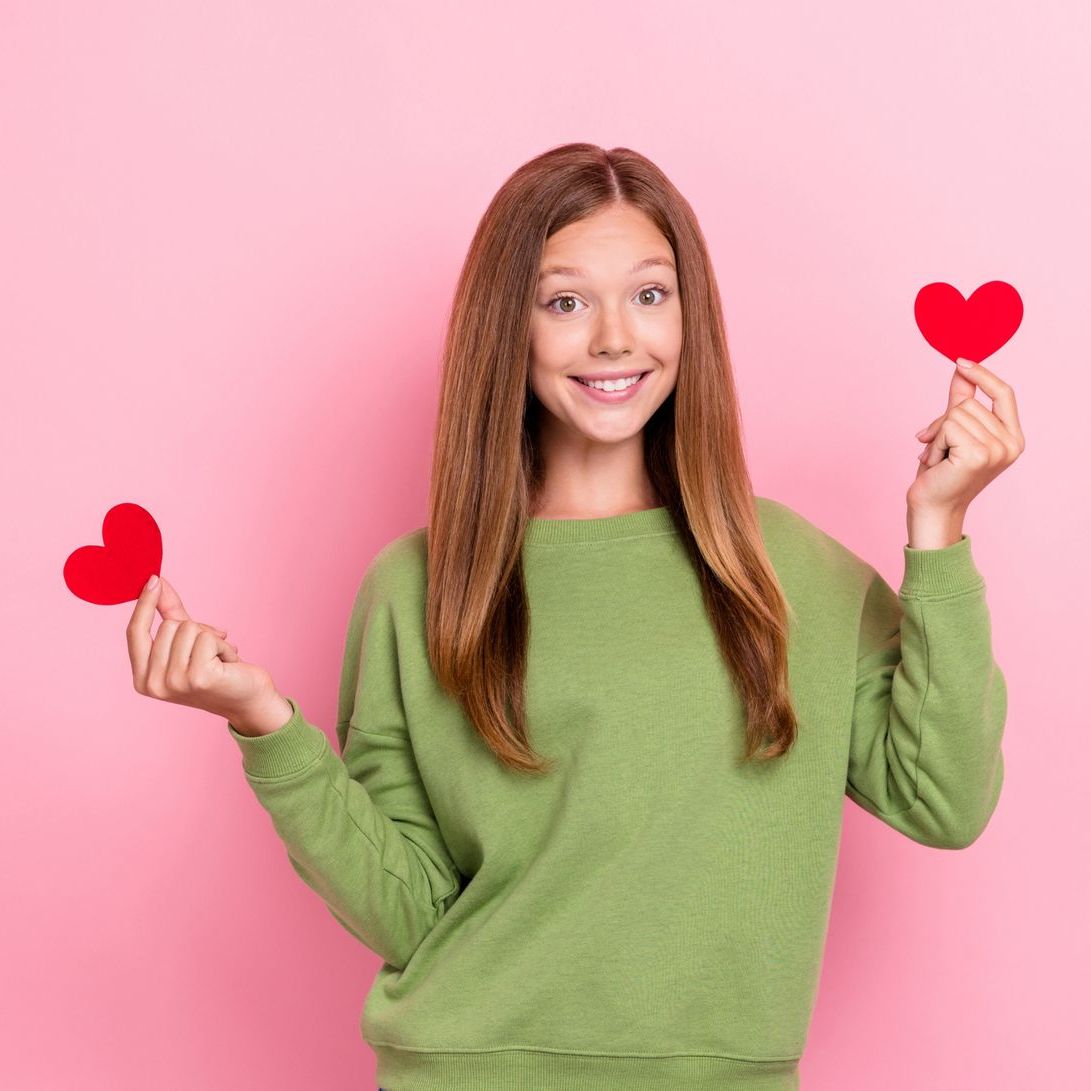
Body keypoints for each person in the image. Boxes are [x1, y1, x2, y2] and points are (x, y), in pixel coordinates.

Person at [126, 143, 1022, 1091]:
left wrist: (939, 531)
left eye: (648, 294)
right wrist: (264, 724)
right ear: (506, 326)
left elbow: (945, 800)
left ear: (691, 315)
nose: (612, 339)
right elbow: (411, 909)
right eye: (564, 301)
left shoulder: (790, 569)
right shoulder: (419, 585)